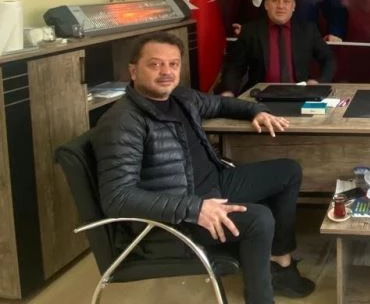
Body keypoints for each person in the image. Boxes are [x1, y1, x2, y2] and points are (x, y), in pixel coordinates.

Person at [92, 32, 315, 304]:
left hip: (214, 185)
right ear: (133, 71)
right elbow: (118, 198)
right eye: (155, 64)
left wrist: (256, 111)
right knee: (259, 219)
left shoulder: (181, 98)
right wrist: (194, 208)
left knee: (287, 171)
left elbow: (220, 103)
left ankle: (278, 261)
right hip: (177, 218)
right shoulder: (123, 121)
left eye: (173, 64)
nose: (166, 72)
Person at [221, 0, 336, 96]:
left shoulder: (308, 30)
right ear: (266, 5)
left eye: (286, 1)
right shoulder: (250, 31)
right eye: (275, 1)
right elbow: (235, 67)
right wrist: (229, 91)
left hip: (300, 94)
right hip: (260, 96)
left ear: (293, 6)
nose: (281, 6)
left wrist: (320, 82)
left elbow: (328, 58)